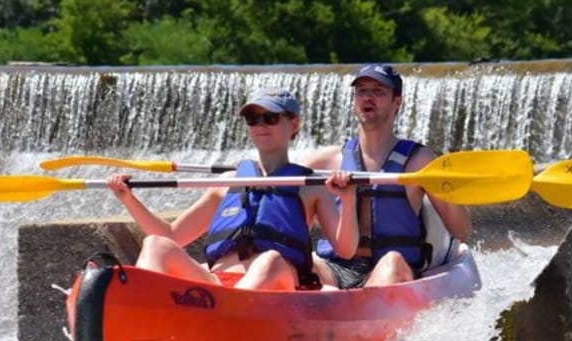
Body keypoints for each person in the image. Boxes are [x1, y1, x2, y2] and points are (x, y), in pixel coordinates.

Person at [107, 88, 358, 291]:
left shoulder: (310, 186)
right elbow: (171, 235)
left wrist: (347, 200)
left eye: (270, 118)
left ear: (293, 124)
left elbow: (346, 249)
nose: (261, 125)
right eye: (253, 119)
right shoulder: (227, 182)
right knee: (155, 245)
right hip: (216, 287)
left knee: (269, 260)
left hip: (275, 289)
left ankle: (224, 314)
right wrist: (128, 199)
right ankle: (145, 315)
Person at [303, 64, 472, 288]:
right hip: (336, 268)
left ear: (397, 102)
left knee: (390, 263)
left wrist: (449, 186)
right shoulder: (327, 160)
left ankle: (360, 314)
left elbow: (461, 231)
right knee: (294, 261)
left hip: (394, 274)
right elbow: (275, 178)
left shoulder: (420, 162)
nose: (368, 98)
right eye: (362, 91)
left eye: (378, 91)